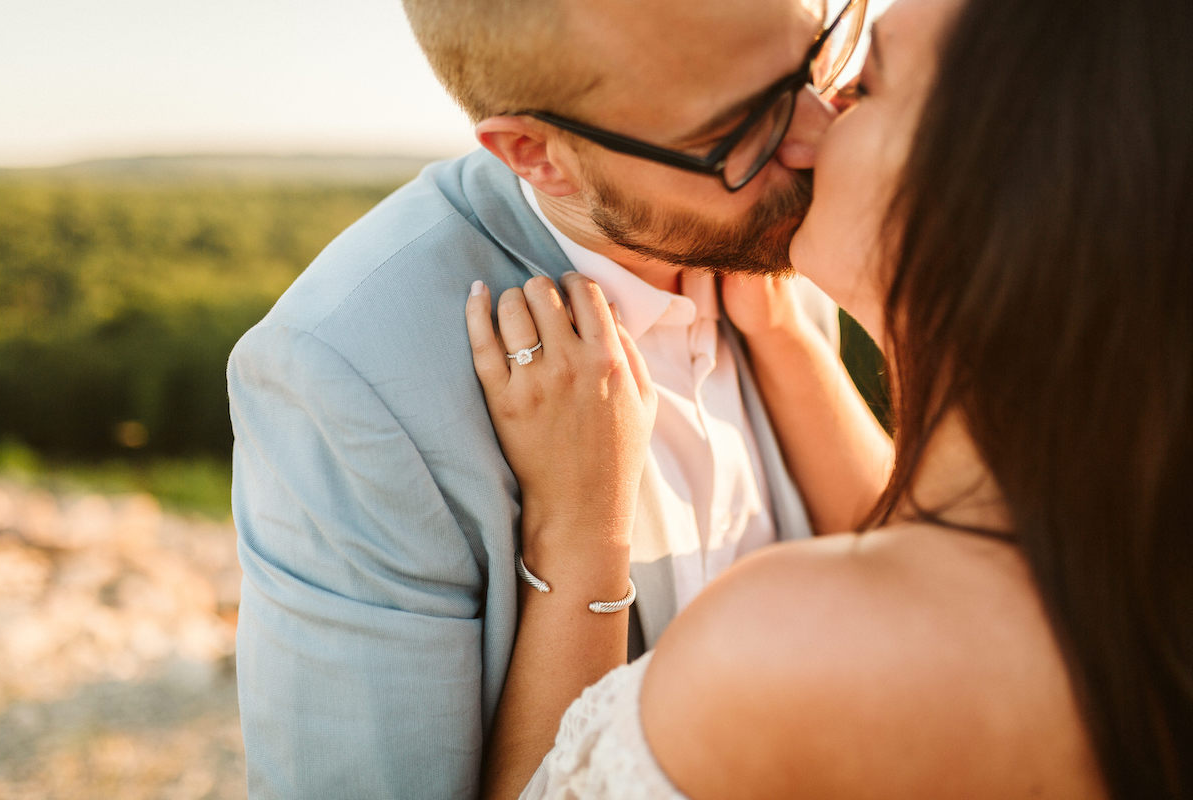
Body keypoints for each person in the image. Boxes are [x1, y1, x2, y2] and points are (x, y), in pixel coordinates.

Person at [465, 0, 1193, 795]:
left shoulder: (780, 650)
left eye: (863, 85)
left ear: (1001, 191)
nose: (803, 130)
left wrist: (581, 536)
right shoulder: (1119, 547)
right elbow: (929, 547)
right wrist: (784, 340)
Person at [226, 0, 890, 795]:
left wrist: (788, 344)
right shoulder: (347, 372)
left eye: (819, 52)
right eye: (739, 128)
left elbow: (920, 585)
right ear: (537, 154)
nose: (819, 134)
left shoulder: (773, 226)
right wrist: (582, 528)